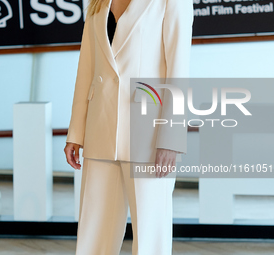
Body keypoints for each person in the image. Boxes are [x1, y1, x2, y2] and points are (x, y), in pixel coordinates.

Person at [64, 0, 194, 254]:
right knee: (93, 232)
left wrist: (171, 139)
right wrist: (76, 133)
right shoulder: (96, 3)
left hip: (149, 132)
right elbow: (86, 69)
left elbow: (179, 70)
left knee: (150, 234)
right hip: (100, 129)